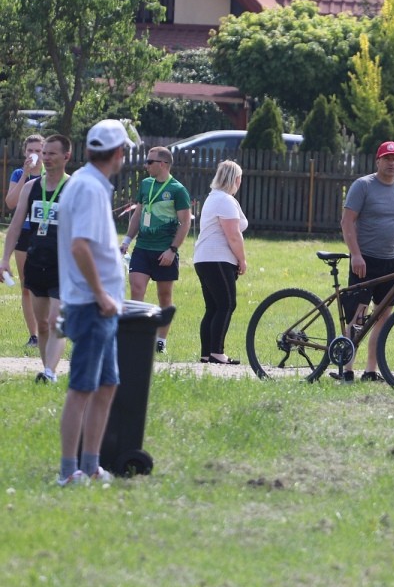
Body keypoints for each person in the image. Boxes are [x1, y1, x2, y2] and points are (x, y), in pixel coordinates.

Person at [54, 120, 130, 485]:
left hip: (100, 304)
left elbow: (90, 244)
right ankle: (69, 472)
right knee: (82, 388)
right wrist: (101, 294)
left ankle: (91, 464)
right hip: (91, 304)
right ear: (118, 154)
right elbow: (79, 246)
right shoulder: (88, 188)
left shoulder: (90, 184)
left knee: (106, 385)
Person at [339, 141, 394, 382]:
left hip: (392, 261)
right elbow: (347, 222)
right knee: (358, 317)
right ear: (378, 161)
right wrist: (355, 254)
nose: (391, 163)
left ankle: (370, 371)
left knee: (382, 318)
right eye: (387, 158)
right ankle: (346, 369)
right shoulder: (363, 185)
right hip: (365, 261)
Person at [2, 134, 71, 383]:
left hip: (63, 265)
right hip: (36, 262)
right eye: (45, 153)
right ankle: (48, 370)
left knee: (55, 320)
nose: (46, 158)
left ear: (67, 156)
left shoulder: (73, 188)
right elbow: (15, 226)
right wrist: (5, 259)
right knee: (42, 324)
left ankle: (50, 371)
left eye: (51, 153)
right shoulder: (31, 188)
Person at [119, 146, 192, 354]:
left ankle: (161, 340)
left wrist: (172, 250)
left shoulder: (178, 190)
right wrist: (126, 241)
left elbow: (185, 223)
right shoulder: (145, 185)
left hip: (164, 251)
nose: (146, 165)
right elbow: (138, 214)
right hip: (142, 247)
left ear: (163, 164)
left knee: (164, 296)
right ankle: (135, 337)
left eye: (150, 162)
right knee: (137, 289)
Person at [192, 160, 248, 365]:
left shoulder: (213, 198)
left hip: (204, 258)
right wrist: (242, 259)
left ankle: (207, 353)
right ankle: (217, 352)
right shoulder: (225, 200)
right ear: (235, 179)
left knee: (213, 307)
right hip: (218, 258)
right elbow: (233, 235)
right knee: (226, 304)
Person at [5, 134, 44, 348]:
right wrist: (25, 176)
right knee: (27, 286)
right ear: (24, 152)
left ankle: (49, 330)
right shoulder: (19, 173)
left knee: (48, 286)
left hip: (46, 235)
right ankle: (34, 335)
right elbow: (10, 203)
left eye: (38, 150)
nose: (34, 154)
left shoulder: (51, 175)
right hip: (25, 234)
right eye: (30, 150)